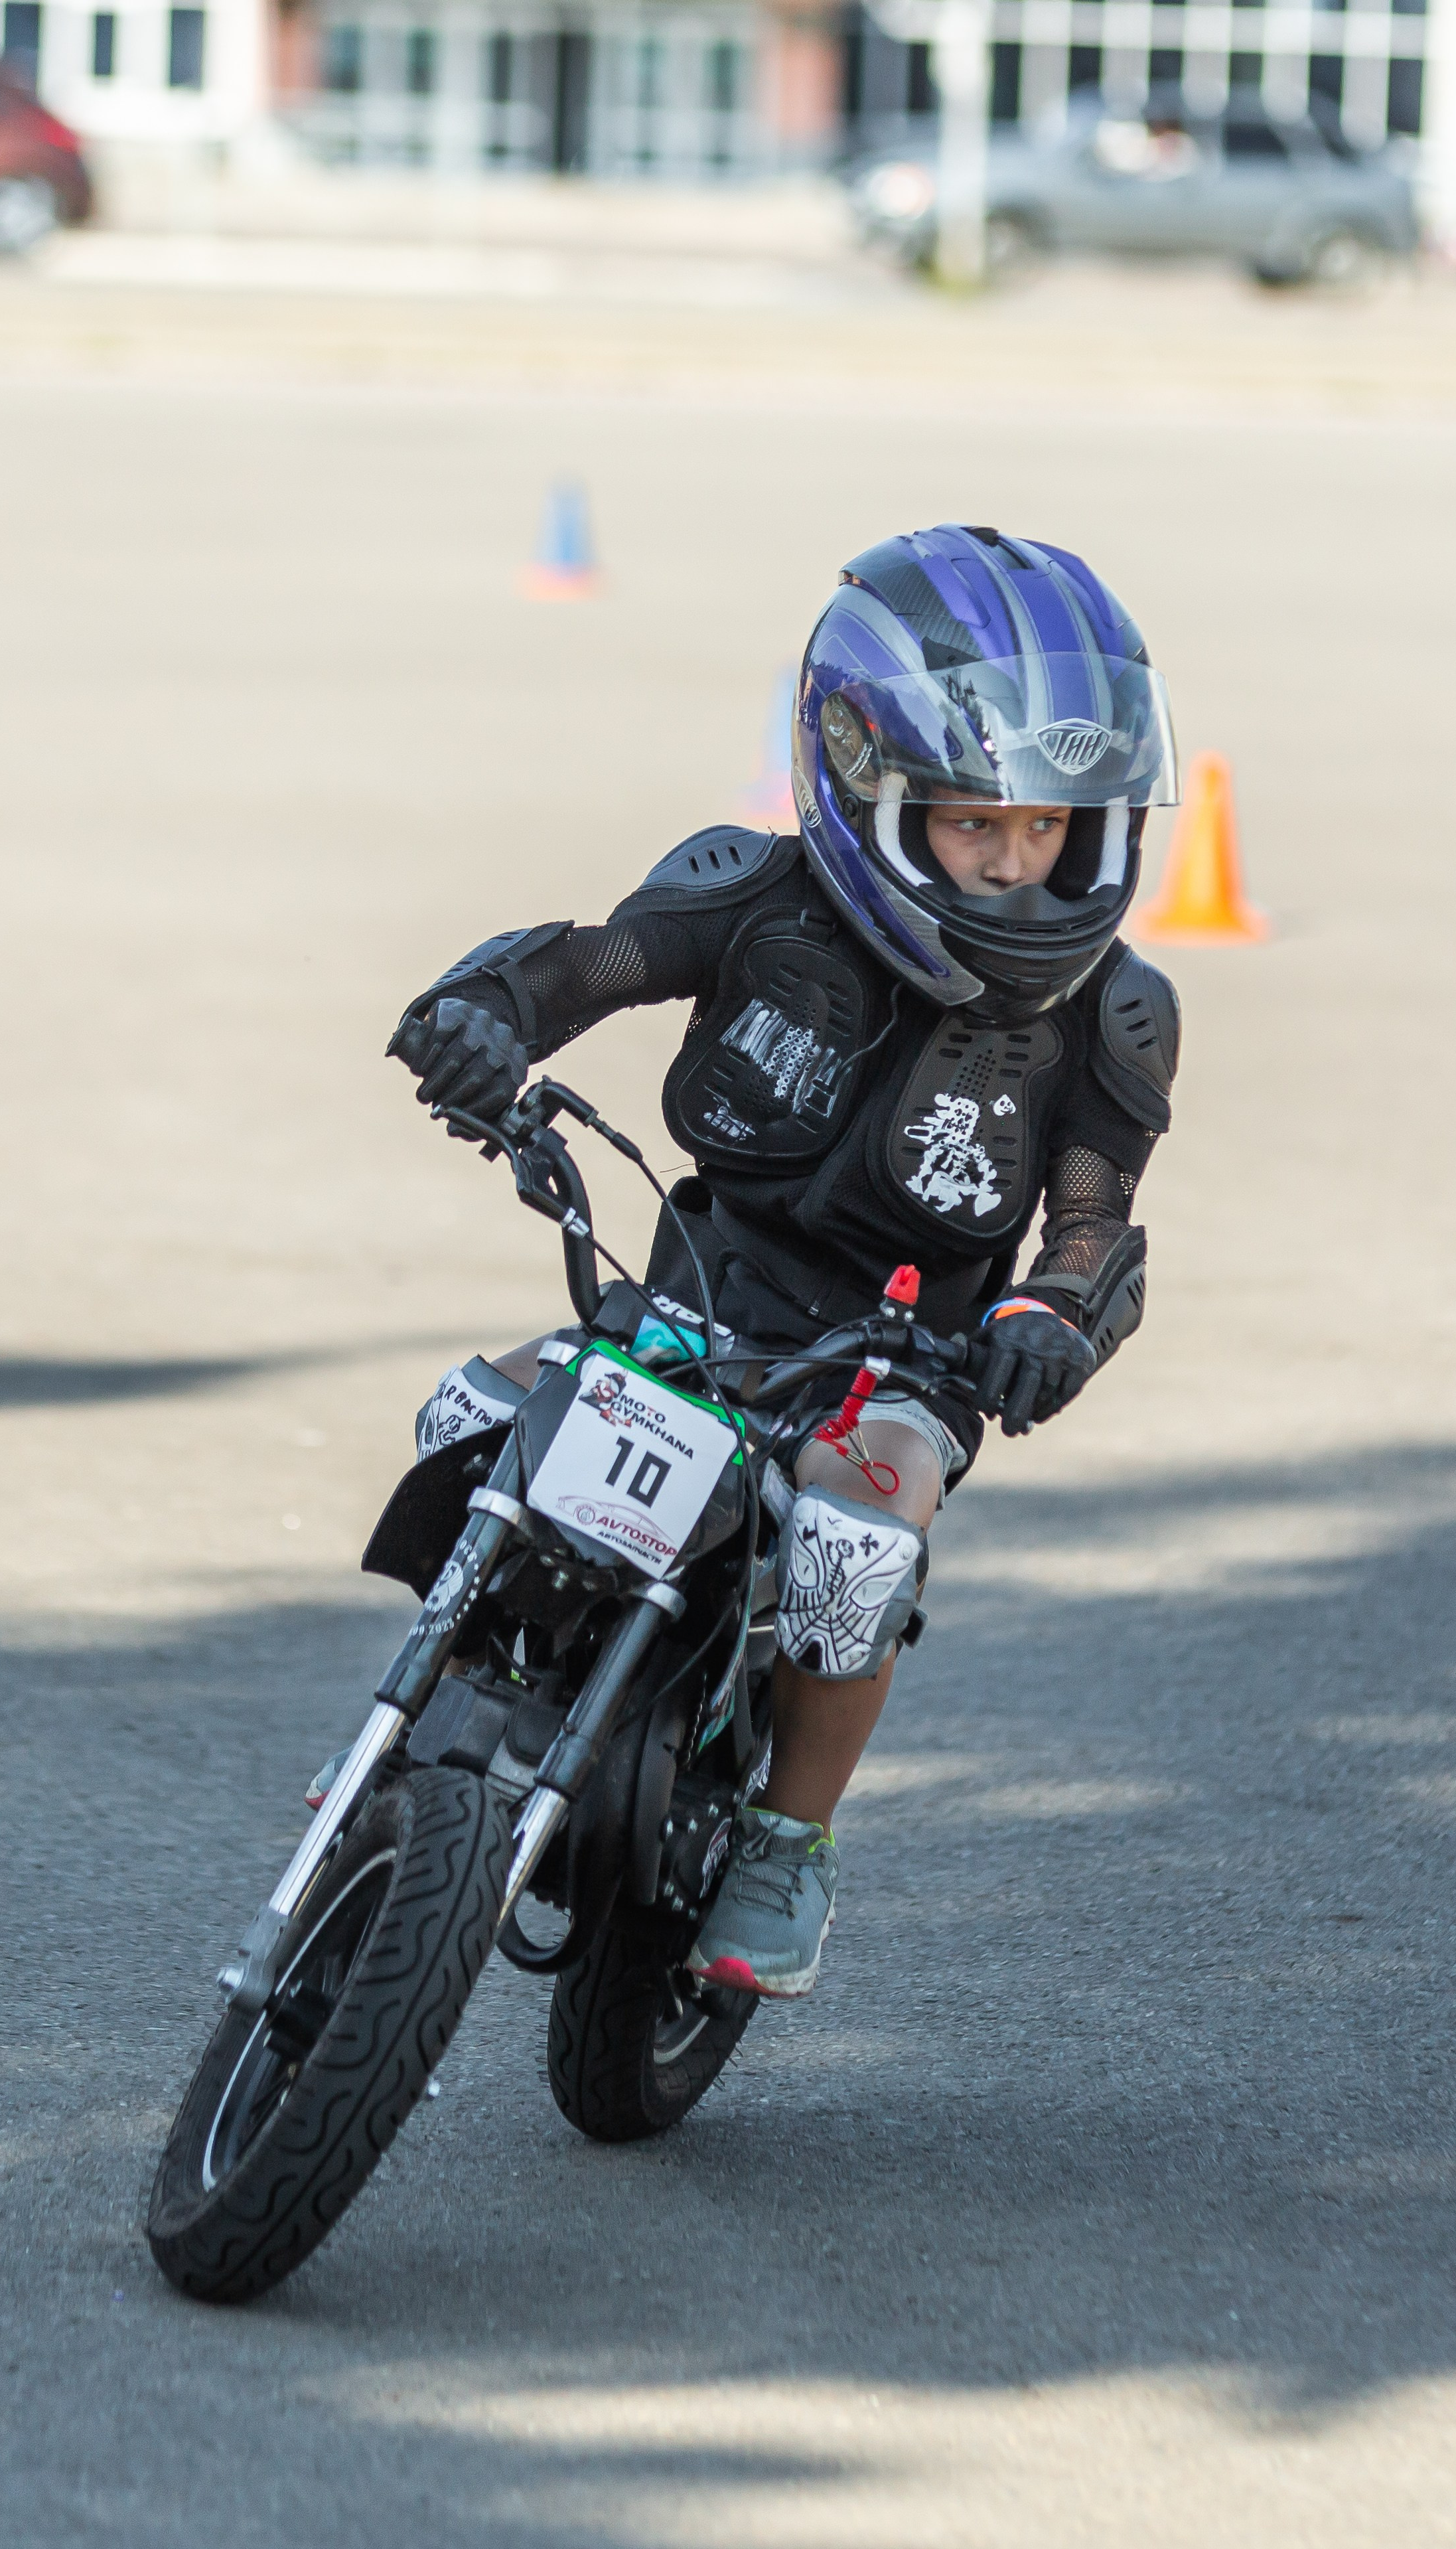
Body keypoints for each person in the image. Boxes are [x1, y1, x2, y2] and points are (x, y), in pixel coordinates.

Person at [389, 523, 1183, 1999]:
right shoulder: (754, 894)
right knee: (471, 1420)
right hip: (699, 1297)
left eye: (1047, 830)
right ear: (863, 785)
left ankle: (785, 1837)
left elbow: (1087, 1212)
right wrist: (484, 1014)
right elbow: (584, 965)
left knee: (853, 1550)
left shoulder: (1114, 1014)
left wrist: (1051, 1314)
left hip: (904, 1365)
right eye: (969, 825)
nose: (1015, 865)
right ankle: (422, 1715)